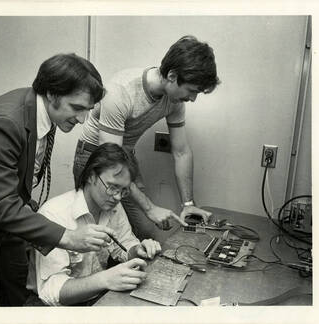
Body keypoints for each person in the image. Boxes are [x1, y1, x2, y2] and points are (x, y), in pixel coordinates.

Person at [0, 53, 115, 306]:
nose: (82, 120)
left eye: (87, 110)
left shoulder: (43, 111)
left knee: (16, 289)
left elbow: (19, 180)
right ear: (52, 94)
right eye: (77, 108)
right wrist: (68, 237)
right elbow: (2, 205)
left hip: (7, 220)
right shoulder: (3, 122)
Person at [73, 35, 220, 240]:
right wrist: (150, 208)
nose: (193, 98)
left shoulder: (175, 101)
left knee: (145, 232)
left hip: (123, 156)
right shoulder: (120, 92)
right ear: (172, 76)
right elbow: (110, 162)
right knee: (104, 234)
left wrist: (188, 204)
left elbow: (181, 151)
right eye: (192, 90)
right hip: (95, 157)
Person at [26, 143, 161, 306]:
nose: (118, 197)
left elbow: (124, 244)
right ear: (91, 175)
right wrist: (105, 279)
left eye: (124, 191)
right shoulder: (54, 214)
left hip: (96, 297)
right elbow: (51, 291)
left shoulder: (113, 206)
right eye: (113, 187)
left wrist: (137, 251)